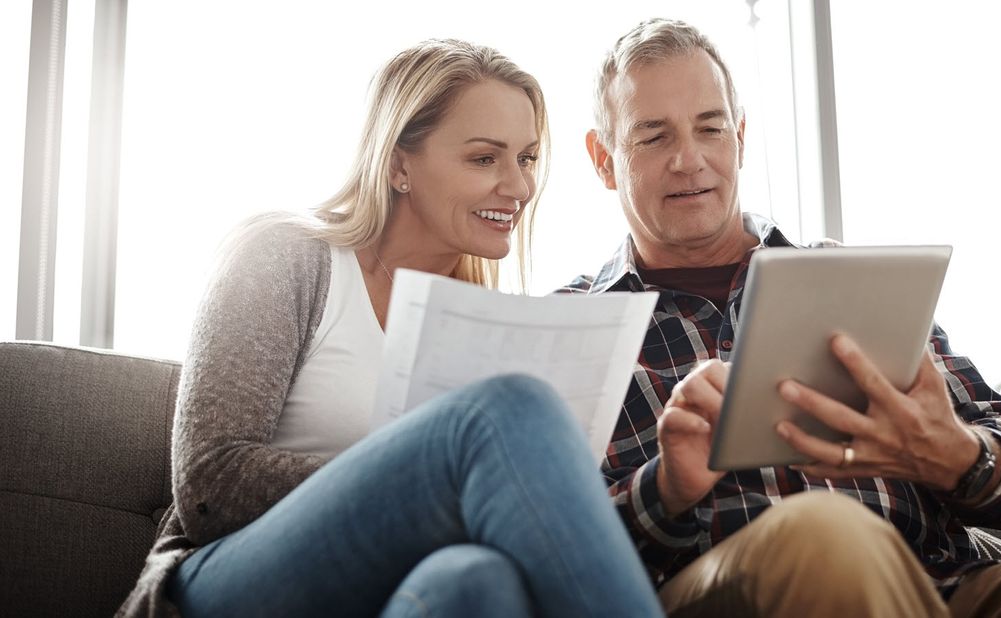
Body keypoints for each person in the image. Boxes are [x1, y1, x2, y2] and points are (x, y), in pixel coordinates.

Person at [563, 17, 1001, 617]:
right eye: (654, 137)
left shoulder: (849, 279)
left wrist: (954, 453)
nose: (690, 160)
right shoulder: (573, 328)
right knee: (823, 532)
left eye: (711, 128)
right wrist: (666, 489)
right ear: (603, 158)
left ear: (738, 135)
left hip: (950, 585)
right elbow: (556, 557)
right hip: (742, 588)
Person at [117, 39, 663, 618]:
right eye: (485, 159)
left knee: (477, 581)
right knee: (508, 410)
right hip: (227, 582)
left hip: (394, 593)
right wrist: (424, 467)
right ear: (400, 164)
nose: (519, 186)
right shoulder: (287, 258)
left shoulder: (485, 319)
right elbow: (209, 487)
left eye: (527, 159)